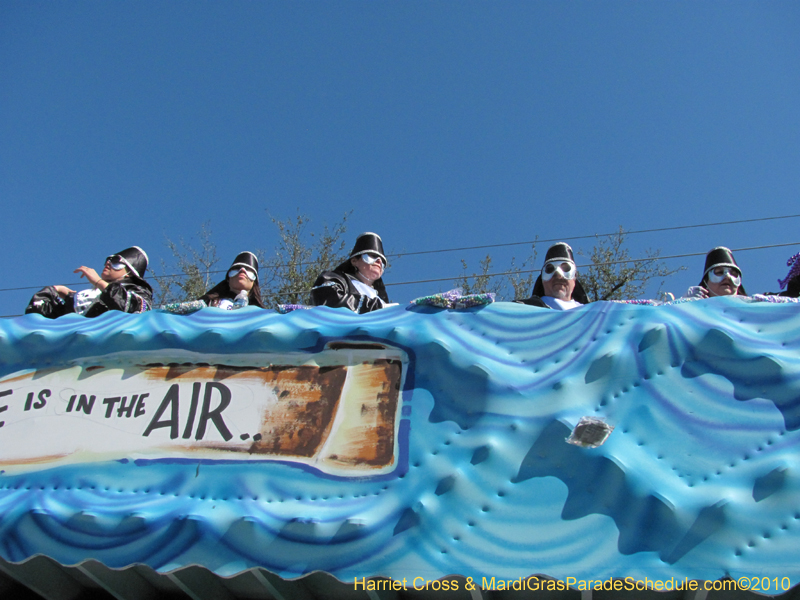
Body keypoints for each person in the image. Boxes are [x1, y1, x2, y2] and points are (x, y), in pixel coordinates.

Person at [25, 246, 153, 318]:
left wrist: (98, 281)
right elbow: (37, 318)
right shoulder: (82, 297)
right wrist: (55, 290)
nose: (108, 263)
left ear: (129, 272)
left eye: (116, 261)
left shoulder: (137, 291)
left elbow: (136, 310)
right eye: (108, 260)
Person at [311, 232, 390, 313]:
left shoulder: (381, 298)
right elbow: (329, 299)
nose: (379, 261)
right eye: (372, 256)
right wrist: (374, 307)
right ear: (354, 261)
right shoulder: (334, 280)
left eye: (382, 261)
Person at [517, 242, 589, 310]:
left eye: (566, 268)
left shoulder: (591, 314)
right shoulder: (523, 310)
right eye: (550, 269)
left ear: (575, 277)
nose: (558, 276)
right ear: (542, 279)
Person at [200, 251, 265, 309]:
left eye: (248, 270)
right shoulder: (208, 303)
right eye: (236, 268)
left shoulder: (260, 315)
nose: (242, 270)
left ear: (254, 282)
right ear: (228, 279)